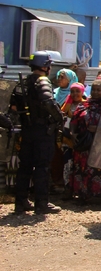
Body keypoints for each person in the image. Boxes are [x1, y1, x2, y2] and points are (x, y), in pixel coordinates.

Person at [10, 51, 64, 214]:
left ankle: (21, 202)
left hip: (27, 130)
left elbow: (13, 108)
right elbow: (48, 102)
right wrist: (59, 118)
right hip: (42, 131)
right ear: (44, 66)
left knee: (24, 166)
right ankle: (41, 203)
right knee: (42, 167)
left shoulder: (22, 83)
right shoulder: (43, 81)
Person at [69, 79, 101, 204]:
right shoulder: (84, 105)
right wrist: (73, 133)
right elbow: (74, 121)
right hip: (84, 144)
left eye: (99, 89)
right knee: (83, 169)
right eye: (94, 89)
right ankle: (83, 195)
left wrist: (98, 129)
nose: (96, 92)